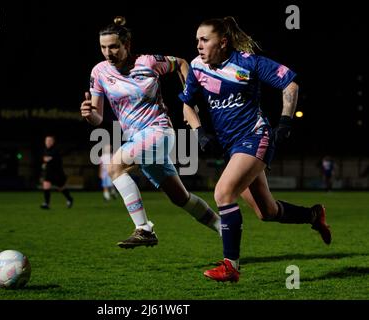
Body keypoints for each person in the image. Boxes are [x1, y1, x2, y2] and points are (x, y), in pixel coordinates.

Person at [179, 16, 332, 282]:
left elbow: (290, 83)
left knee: (223, 193)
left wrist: (284, 121)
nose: (199, 46)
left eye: (205, 40)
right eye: (197, 41)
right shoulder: (196, 67)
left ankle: (231, 267)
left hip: (254, 137)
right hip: (232, 148)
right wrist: (199, 132)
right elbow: (187, 104)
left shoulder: (247, 63)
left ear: (223, 42)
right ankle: (313, 215)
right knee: (267, 212)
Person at [80, 16, 221, 249]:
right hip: (137, 139)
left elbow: (182, 63)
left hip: (159, 131)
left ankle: (144, 229)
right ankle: (224, 227)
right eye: (103, 47)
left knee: (114, 165)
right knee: (180, 198)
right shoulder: (99, 72)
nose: (108, 52)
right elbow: (97, 117)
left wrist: (189, 100)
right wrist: (89, 114)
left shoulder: (148, 62)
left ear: (127, 45)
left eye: (114, 46)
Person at [40, 135, 74, 209]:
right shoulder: (45, 150)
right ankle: (46, 204)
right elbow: (45, 160)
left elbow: (49, 159)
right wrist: (44, 164)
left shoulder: (55, 150)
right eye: (46, 141)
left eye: (49, 141)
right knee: (46, 185)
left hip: (57, 173)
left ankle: (69, 199)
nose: (47, 142)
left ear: (53, 142)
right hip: (48, 172)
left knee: (61, 188)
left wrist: (47, 160)